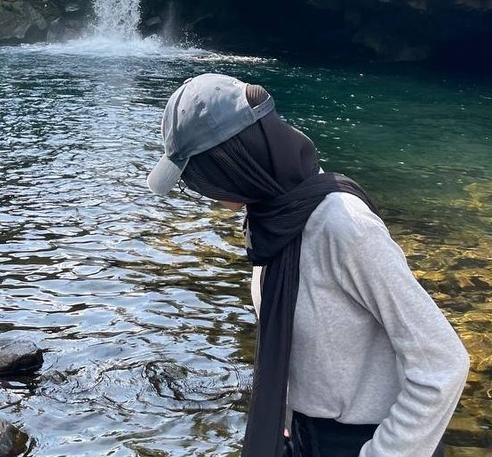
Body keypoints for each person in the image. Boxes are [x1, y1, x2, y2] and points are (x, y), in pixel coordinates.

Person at [147, 73, 469, 457]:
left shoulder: (344, 226)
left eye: (199, 178)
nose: (202, 192)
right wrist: (283, 419)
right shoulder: (272, 219)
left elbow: (442, 363)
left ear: (234, 164)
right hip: (301, 434)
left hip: (366, 440)